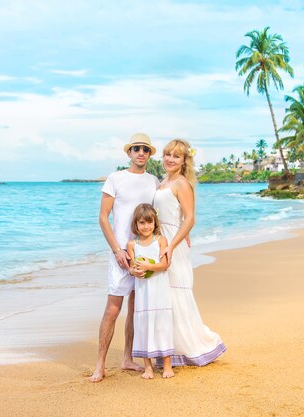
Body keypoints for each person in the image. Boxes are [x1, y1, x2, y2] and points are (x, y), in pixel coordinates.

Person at [89, 133, 160, 383]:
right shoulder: (115, 178)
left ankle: (127, 358)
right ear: (128, 153)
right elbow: (103, 217)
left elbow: (158, 216)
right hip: (120, 255)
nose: (141, 153)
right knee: (113, 309)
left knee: (135, 308)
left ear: (150, 154)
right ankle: (100, 365)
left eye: (145, 149)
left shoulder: (154, 181)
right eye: (136, 149)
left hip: (144, 255)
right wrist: (117, 250)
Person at [153, 139, 226, 367]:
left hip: (173, 244)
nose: (170, 159)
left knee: (177, 292)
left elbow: (190, 217)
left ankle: (193, 347)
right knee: (165, 295)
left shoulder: (182, 183)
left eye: (176, 156)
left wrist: (172, 245)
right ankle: (169, 349)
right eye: (167, 154)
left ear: (184, 161)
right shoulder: (164, 181)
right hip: (162, 240)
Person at [127, 203, 174, 379]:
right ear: (136, 224)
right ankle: (148, 366)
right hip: (143, 292)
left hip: (159, 290)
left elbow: (164, 265)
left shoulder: (160, 240)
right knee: (144, 325)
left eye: (149, 222)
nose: (146, 226)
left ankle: (167, 364)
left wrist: (148, 266)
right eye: (142, 223)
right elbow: (131, 267)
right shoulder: (132, 244)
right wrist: (135, 271)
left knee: (162, 324)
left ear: (155, 222)